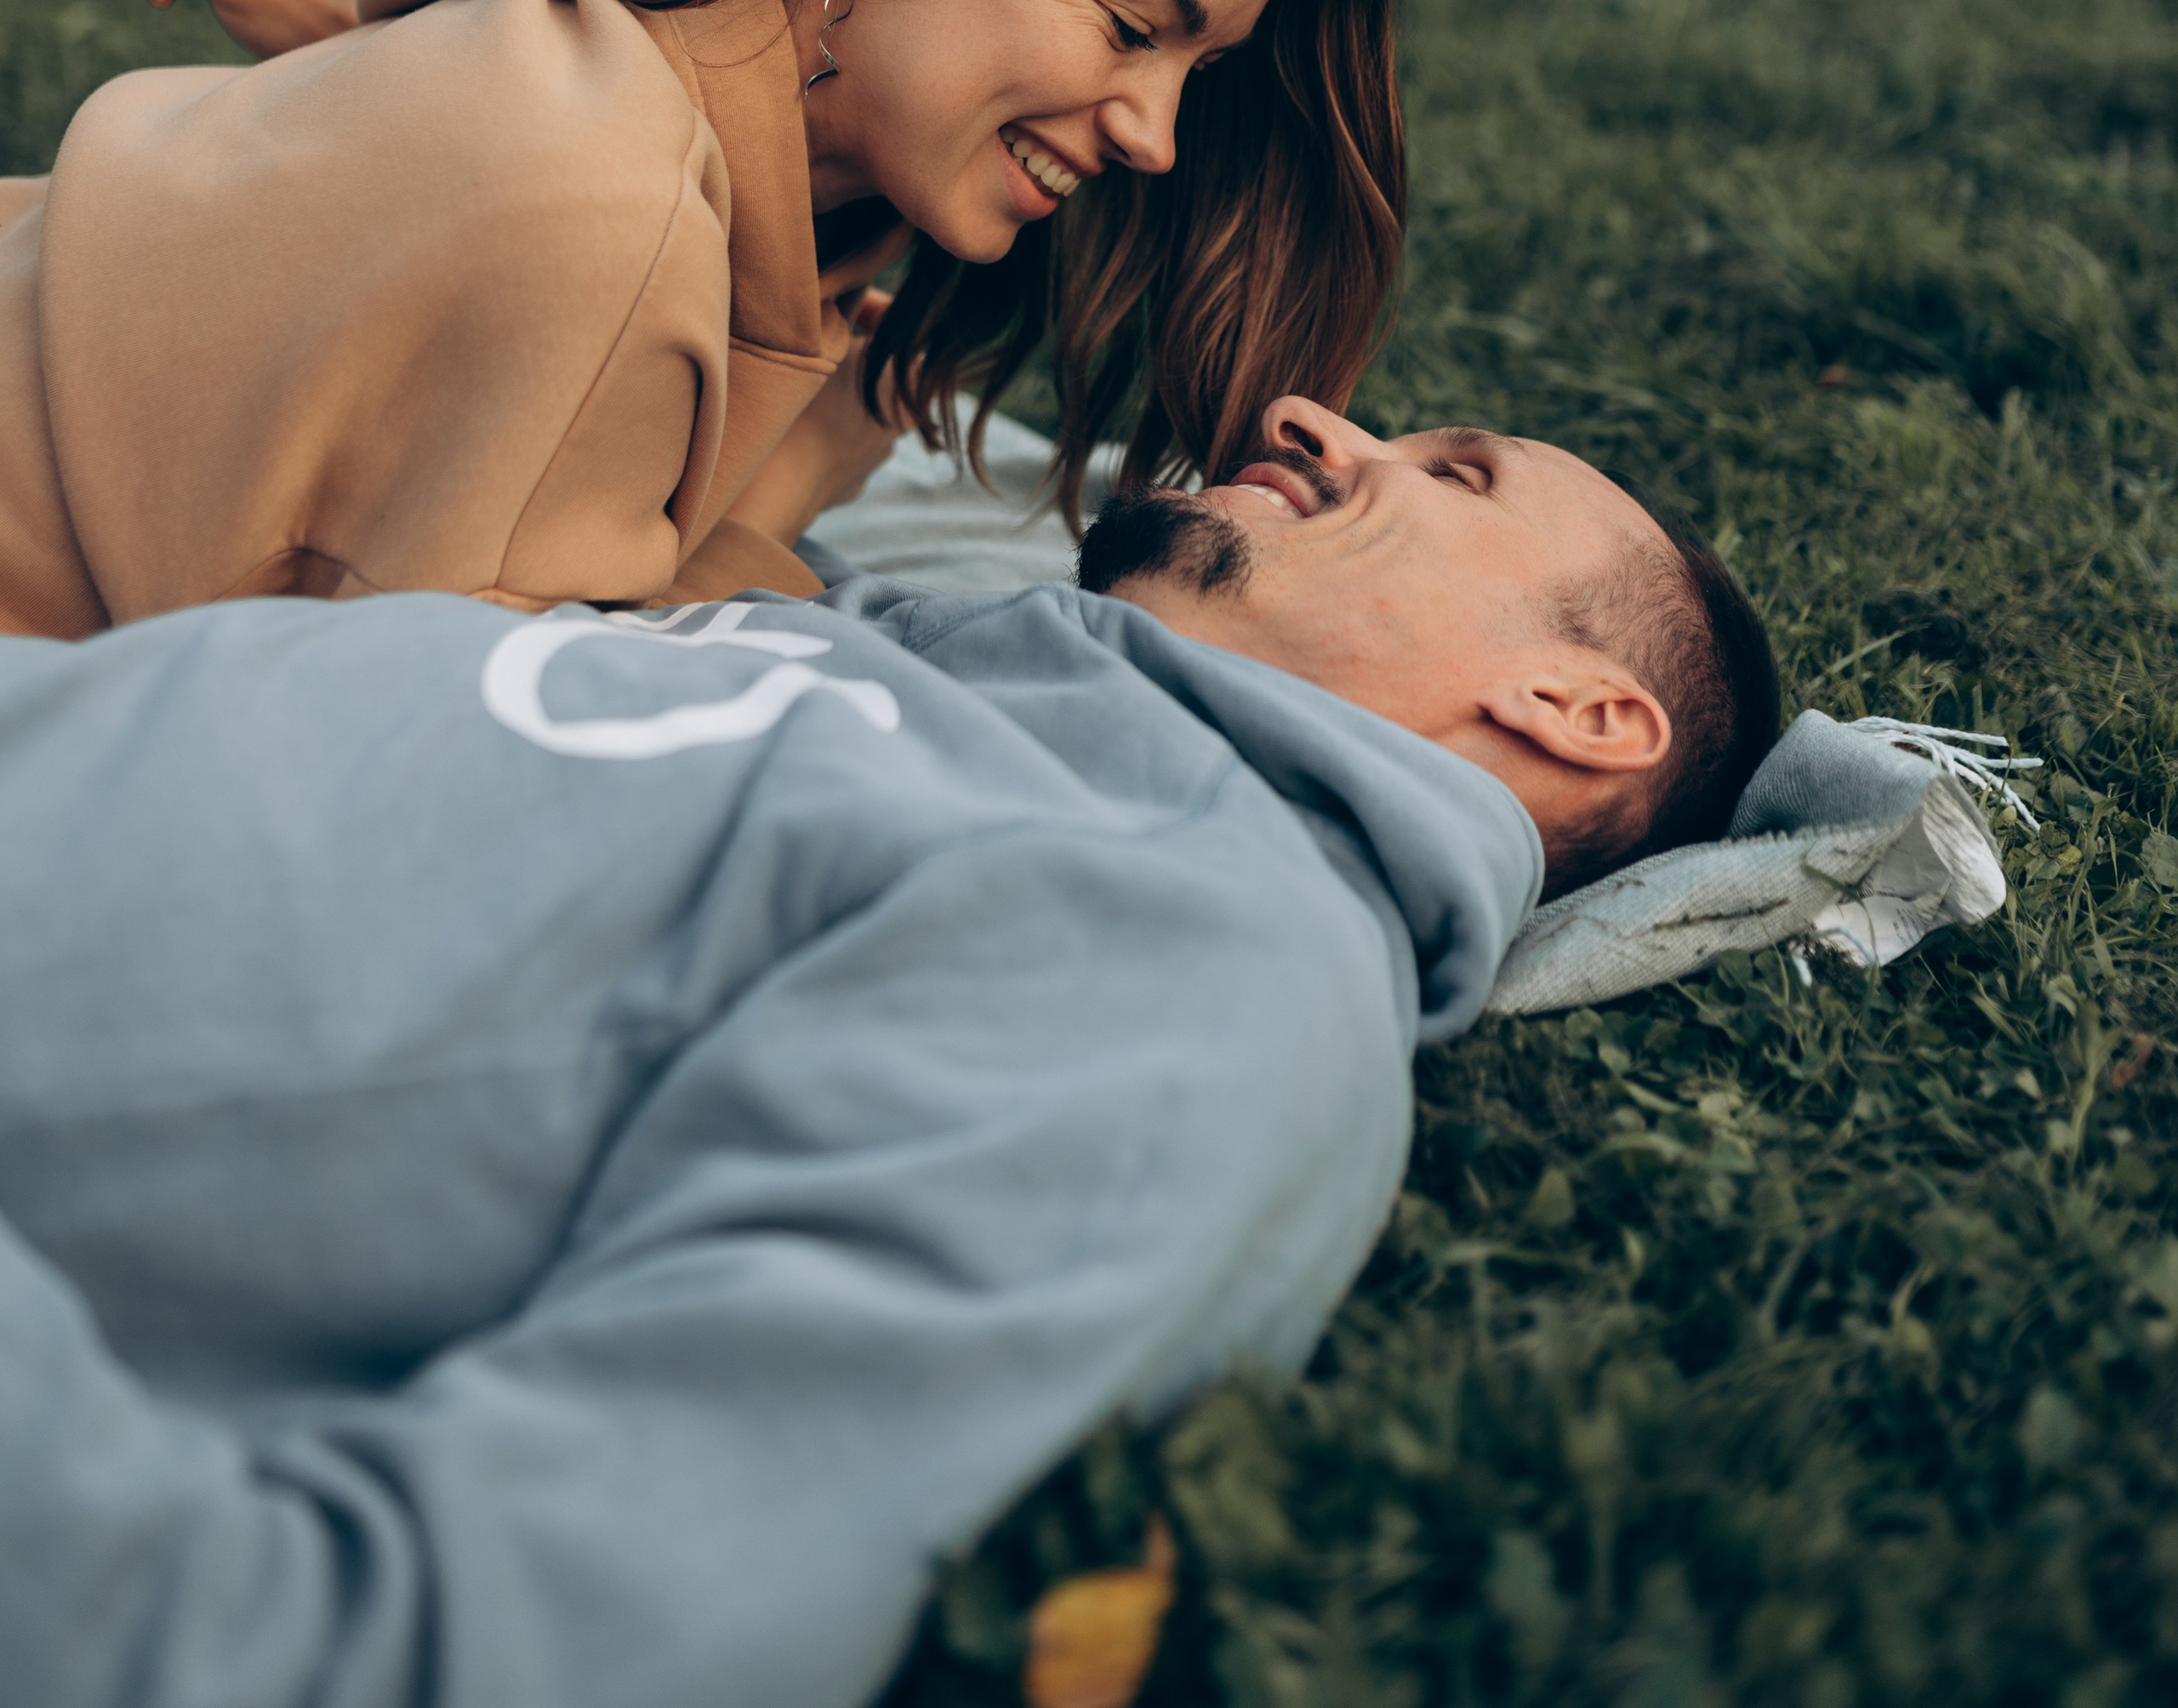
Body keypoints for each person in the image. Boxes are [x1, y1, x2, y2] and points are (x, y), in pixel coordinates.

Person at [0, 396, 1777, 1708]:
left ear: (1574, 710)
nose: (1321, 421)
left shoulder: (1194, 970)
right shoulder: (925, 666)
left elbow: (416, 1647)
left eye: (1449, 474)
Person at [0, 0, 1402, 638]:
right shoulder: (612, 219)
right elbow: (500, 732)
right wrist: (793, 480)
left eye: (1193, 73)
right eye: (1130, 27)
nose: (1156, 135)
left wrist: (342, 53)